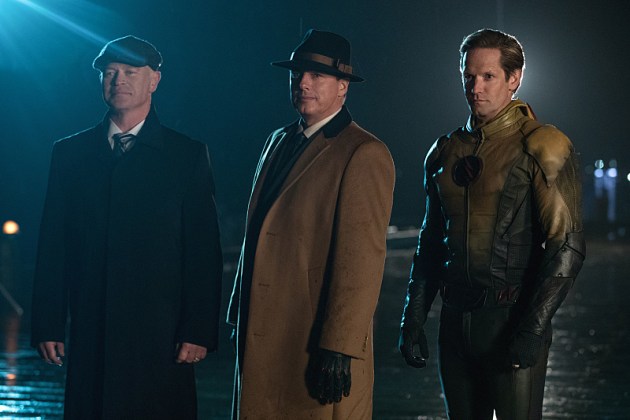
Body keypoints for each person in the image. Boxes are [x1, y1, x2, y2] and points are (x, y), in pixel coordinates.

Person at [30, 35, 223, 419]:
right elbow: (53, 246)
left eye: (131, 72)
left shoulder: (186, 155)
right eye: (110, 72)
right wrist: (47, 324)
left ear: (155, 80)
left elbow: (202, 250)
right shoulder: (70, 154)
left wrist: (198, 329)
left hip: (161, 331)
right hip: (92, 325)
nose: (118, 80)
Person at [398, 28, 585, 419]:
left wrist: (532, 328)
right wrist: (413, 316)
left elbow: (566, 246)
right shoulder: (445, 150)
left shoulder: (542, 145)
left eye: (488, 76)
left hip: (511, 318)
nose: (475, 87)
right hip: (455, 320)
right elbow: (431, 240)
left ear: (514, 78)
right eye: (469, 76)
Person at [226, 29, 395, 419]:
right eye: (297, 73)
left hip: (312, 336)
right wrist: (239, 309)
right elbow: (257, 232)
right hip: (265, 326)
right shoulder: (278, 140)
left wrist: (340, 345)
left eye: (317, 75)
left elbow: (362, 261)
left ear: (343, 87)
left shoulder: (363, 152)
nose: (303, 83)